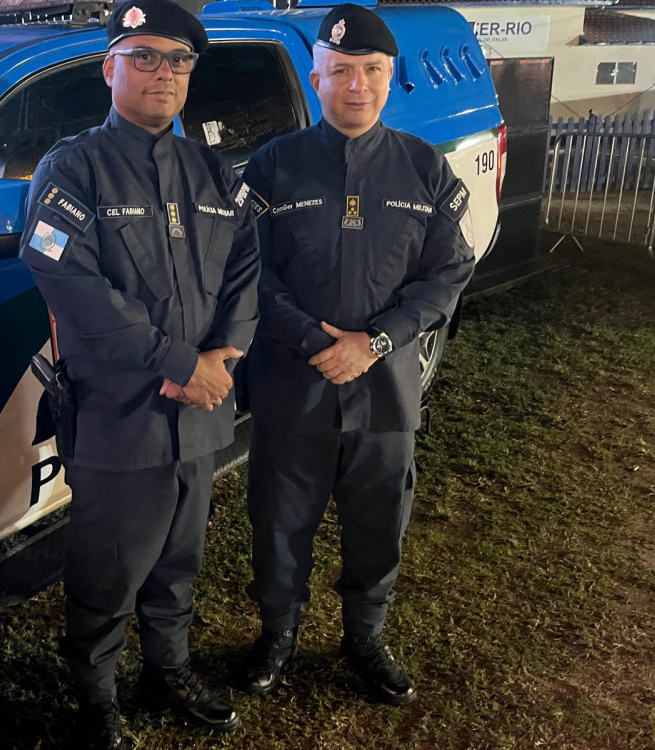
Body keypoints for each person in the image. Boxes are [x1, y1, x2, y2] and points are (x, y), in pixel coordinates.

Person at [18, 1, 260, 747]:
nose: (164, 73)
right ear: (109, 69)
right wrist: (181, 363)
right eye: (144, 56)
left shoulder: (212, 170)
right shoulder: (74, 168)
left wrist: (223, 356)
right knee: (109, 567)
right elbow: (71, 283)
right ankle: (95, 697)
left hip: (201, 410)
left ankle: (167, 669)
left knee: (180, 558)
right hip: (121, 414)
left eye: (179, 60)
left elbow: (247, 268)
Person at [236, 3, 475, 706]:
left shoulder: (423, 168)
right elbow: (248, 272)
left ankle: (364, 635)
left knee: (379, 522)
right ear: (316, 77)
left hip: (384, 389)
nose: (356, 85)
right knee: (280, 520)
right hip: (294, 383)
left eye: (371, 70)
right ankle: (277, 633)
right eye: (340, 70)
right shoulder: (273, 165)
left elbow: (448, 272)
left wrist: (377, 341)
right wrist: (316, 341)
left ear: (391, 77)